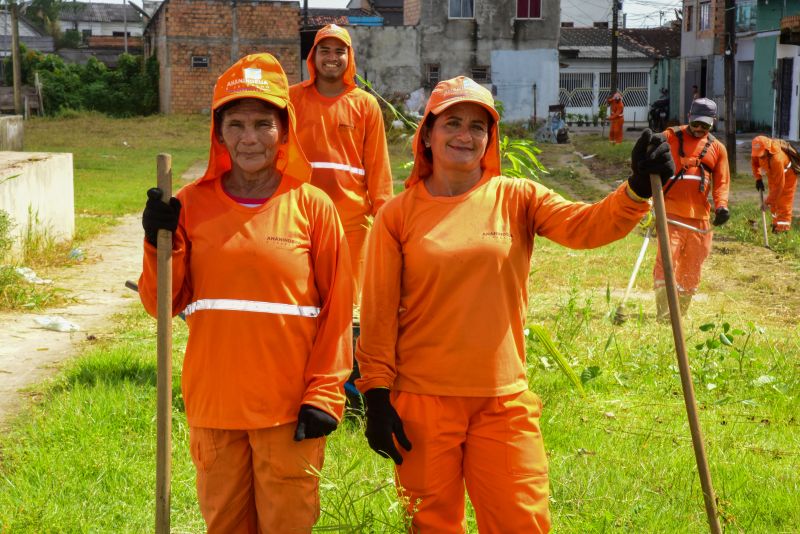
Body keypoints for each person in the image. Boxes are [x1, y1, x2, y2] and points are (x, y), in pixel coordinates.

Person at [354, 76, 675, 533]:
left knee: (521, 522)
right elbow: (378, 313)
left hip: (502, 401)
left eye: (477, 126)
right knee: (432, 524)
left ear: (490, 138)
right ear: (427, 133)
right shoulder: (397, 215)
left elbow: (586, 227)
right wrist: (376, 395)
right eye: (453, 123)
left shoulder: (517, 198)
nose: (465, 135)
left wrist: (637, 188)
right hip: (423, 402)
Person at [138, 53, 353, 532]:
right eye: (235, 124)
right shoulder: (189, 205)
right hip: (215, 408)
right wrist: (157, 244)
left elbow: (338, 309)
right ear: (218, 133)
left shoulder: (312, 207)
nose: (250, 138)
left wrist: (325, 394)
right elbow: (162, 305)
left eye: (263, 123)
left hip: (289, 411)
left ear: (284, 129)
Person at [290, 23, 393, 304]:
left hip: (352, 222)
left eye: (339, 51)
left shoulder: (365, 104)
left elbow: (378, 165)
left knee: (346, 300)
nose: (332, 57)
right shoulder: (292, 99)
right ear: (313, 56)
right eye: (325, 50)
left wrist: (384, 216)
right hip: (300, 216)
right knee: (302, 296)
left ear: (350, 58)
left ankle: (344, 349)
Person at [653, 97, 730, 320]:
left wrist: (722, 206)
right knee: (667, 261)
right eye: (695, 123)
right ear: (689, 117)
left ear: (713, 123)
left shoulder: (718, 148)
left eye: (704, 125)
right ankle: (664, 312)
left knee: (692, 267)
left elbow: (722, 182)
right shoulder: (670, 137)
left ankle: (680, 313)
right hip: (670, 214)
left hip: (700, 220)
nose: (698, 129)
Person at [751, 135, 797, 233]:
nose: (759, 156)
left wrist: (767, 202)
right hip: (773, 176)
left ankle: (783, 231)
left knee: (783, 203)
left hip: (787, 178)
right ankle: (776, 225)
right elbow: (754, 163)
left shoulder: (777, 159)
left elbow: (780, 185)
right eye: (758, 154)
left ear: (768, 150)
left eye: (762, 155)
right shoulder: (757, 152)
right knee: (774, 203)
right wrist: (758, 179)